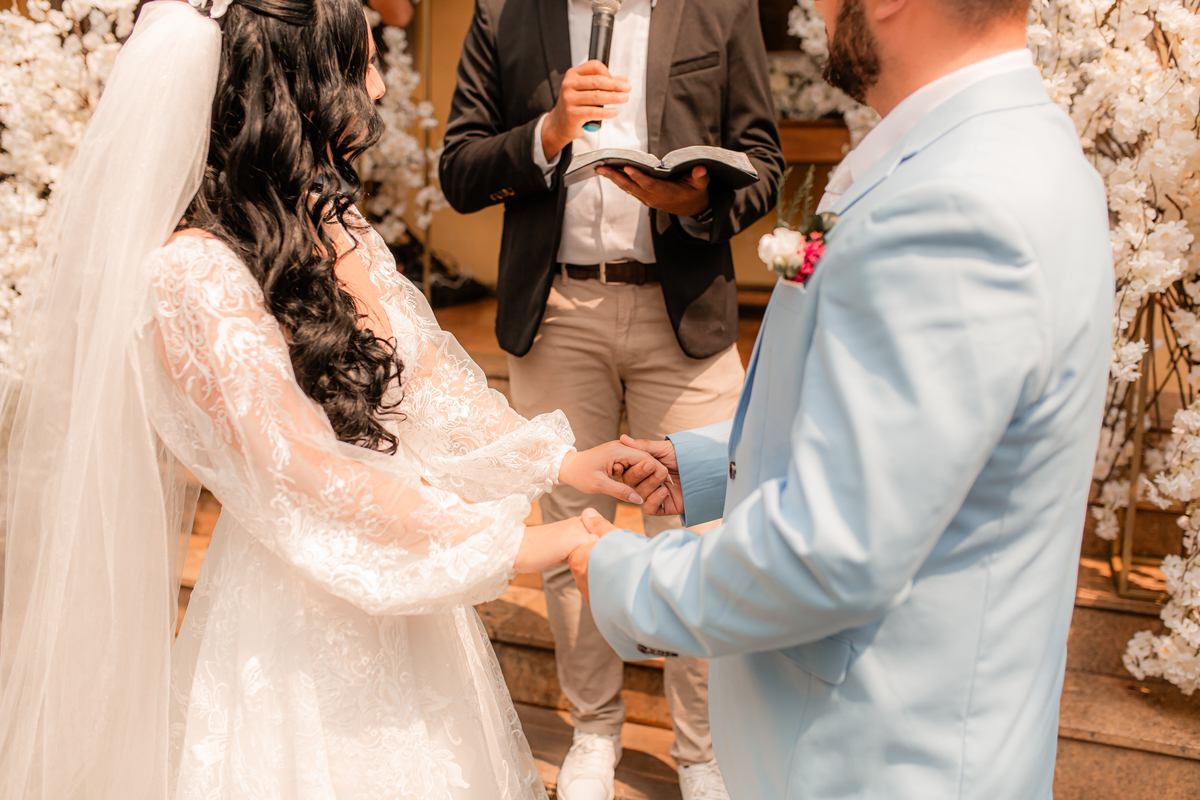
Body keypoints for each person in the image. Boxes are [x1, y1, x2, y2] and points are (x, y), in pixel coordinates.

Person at [0, 1, 668, 796]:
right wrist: (519, 546)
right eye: (360, 66)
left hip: (414, 609)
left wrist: (564, 460)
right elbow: (305, 471)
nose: (382, 88)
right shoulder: (192, 274)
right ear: (295, 87)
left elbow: (427, 387)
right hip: (294, 637)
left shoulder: (335, 224)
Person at [569, 0, 1114, 796]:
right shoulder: (1015, 148)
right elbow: (928, 449)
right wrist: (717, 464)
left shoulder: (955, 203)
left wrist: (622, 575)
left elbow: (831, 551)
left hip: (876, 757)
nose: (811, 8)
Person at [439, 2, 784, 798]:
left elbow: (763, 160)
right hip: (560, 310)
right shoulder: (505, 12)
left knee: (701, 528)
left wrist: (693, 204)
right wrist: (548, 132)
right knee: (570, 530)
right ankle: (593, 729)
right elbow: (459, 168)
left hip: (684, 310)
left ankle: (702, 750)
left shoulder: (719, 8)